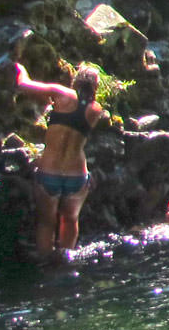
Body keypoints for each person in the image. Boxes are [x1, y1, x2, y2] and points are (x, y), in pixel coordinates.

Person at [14, 58, 106, 261]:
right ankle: (65, 262)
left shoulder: (61, 93)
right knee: (70, 219)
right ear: (95, 86)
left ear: (75, 80)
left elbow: (23, 85)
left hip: (50, 171)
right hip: (77, 175)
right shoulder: (96, 110)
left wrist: (19, 67)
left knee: (46, 222)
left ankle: (45, 262)